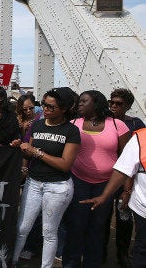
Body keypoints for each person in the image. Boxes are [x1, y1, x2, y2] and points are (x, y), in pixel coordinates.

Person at [10, 88, 81, 268]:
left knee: (49, 231)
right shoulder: (38, 125)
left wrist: (37, 153)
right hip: (33, 182)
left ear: (63, 109)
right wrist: (21, 149)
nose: (45, 109)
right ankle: (12, 261)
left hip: (58, 186)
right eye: (43, 105)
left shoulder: (71, 131)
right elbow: (28, 152)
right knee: (22, 228)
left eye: (51, 106)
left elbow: (66, 164)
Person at [62, 90, 130, 268]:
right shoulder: (72, 124)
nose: (80, 104)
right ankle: (71, 263)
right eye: (79, 102)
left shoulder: (118, 126)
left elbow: (127, 160)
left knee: (98, 227)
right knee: (76, 225)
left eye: (84, 101)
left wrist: (126, 189)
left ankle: (93, 263)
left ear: (97, 103)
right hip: (78, 181)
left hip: (107, 185)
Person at [80, 129, 146, 268]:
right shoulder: (141, 138)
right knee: (143, 249)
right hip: (143, 208)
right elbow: (123, 169)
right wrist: (105, 196)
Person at [101, 88, 146, 266]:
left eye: (118, 104)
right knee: (103, 218)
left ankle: (122, 254)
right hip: (106, 178)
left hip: (127, 180)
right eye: (111, 102)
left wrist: (127, 189)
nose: (113, 106)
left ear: (127, 106)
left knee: (124, 219)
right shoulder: (104, 123)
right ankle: (101, 252)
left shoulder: (136, 124)